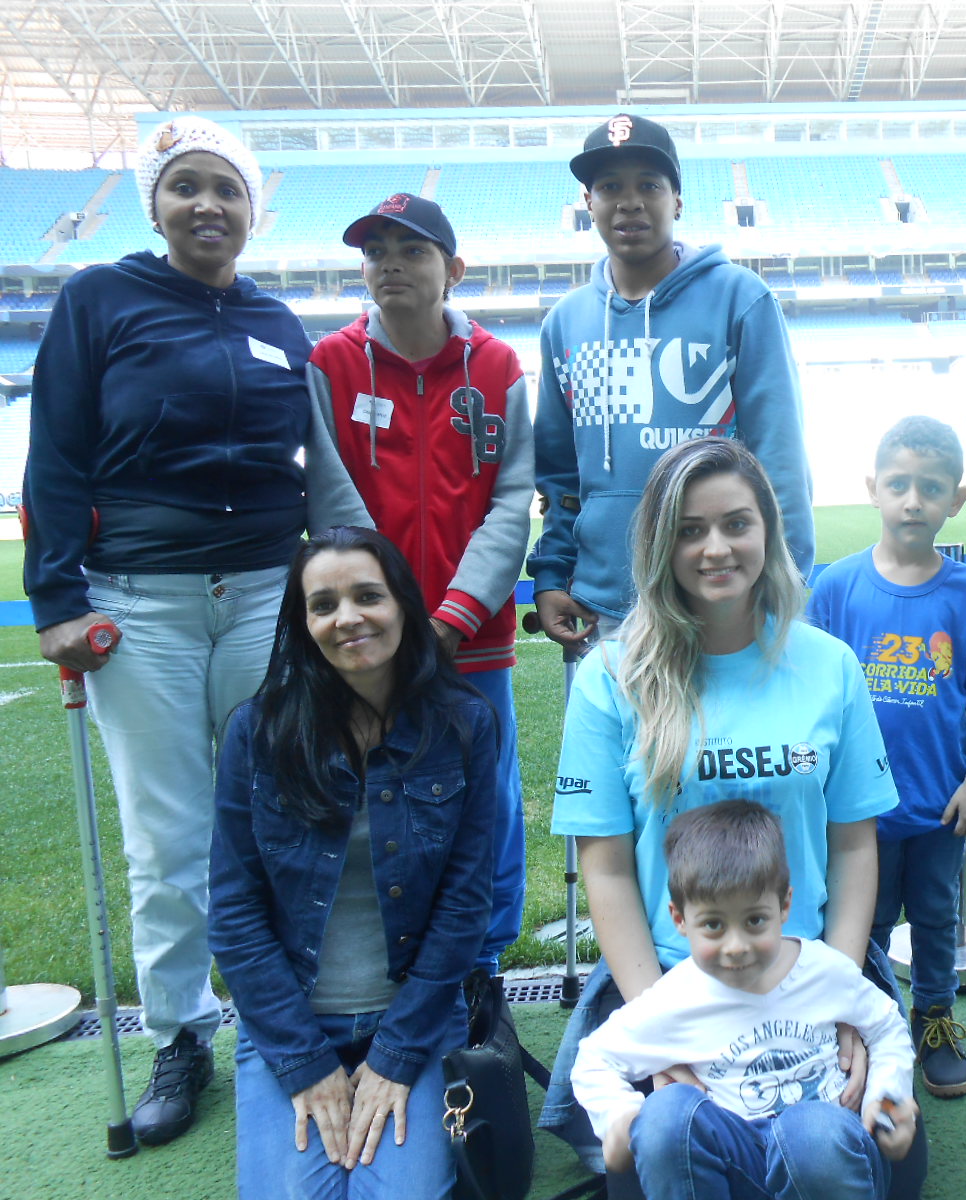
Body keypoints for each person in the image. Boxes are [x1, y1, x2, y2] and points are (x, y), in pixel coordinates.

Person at [20, 115, 367, 1146]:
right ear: (154, 203)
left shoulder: (276, 320)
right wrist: (56, 602)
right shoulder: (99, 299)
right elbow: (56, 456)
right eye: (186, 187)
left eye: (226, 188)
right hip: (141, 604)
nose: (207, 204)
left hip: (267, 594)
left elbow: (309, 468)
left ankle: (296, 1007)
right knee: (168, 840)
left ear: (253, 210)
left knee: (287, 808)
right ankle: (182, 1033)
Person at [538, 436, 924, 1197]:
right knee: (671, 1144)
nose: (716, 548)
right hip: (668, 975)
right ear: (659, 543)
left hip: (808, 961)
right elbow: (607, 867)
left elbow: (853, 849)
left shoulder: (828, 666)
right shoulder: (608, 678)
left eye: (736, 524)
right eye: (689, 529)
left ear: (769, 532)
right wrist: (664, 1024)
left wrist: (838, 997)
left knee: (839, 1156)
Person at [210, 526, 498, 1199]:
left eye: (367, 595)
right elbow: (233, 911)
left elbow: (464, 909)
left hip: (416, 1020)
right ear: (302, 622)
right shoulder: (256, 732)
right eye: (323, 604)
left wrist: (396, 1057)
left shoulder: (464, 726)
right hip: (292, 1026)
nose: (347, 618)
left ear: (401, 604)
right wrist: (306, 1064)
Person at [308, 192, 534, 970]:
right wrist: (391, 618)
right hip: (370, 643)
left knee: (489, 804)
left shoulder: (498, 365)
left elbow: (511, 502)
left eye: (412, 250)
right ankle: (394, 966)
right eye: (375, 252)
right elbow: (333, 504)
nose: (391, 264)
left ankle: (484, 970)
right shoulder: (331, 363)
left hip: (474, 643)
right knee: (385, 800)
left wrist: (451, 618)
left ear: (454, 270)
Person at [529, 112, 814, 649]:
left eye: (649, 185)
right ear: (587, 203)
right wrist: (551, 574)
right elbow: (560, 478)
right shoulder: (565, 323)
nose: (629, 200)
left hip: (721, 604)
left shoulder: (741, 299)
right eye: (609, 186)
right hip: (601, 607)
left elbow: (779, 460)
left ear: (677, 201)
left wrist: (784, 584)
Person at [807, 417, 966, 1098]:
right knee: (863, 922)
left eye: (929, 488)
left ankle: (934, 1019)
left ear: (956, 500)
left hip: (937, 805)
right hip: (856, 813)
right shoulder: (836, 588)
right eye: (897, 484)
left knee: (934, 918)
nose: (911, 501)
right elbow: (811, 691)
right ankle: (869, 1026)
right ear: (872, 489)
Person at [572, 800, 918, 1200]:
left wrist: (886, 1095)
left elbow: (886, 1025)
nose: (735, 947)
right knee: (663, 1116)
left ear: (784, 904)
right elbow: (595, 1059)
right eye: (714, 925)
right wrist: (618, 1117)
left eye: (754, 920)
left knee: (809, 1133)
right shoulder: (678, 998)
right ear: (680, 919)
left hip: (823, 1164)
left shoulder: (823, 970)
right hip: (733, 1167)